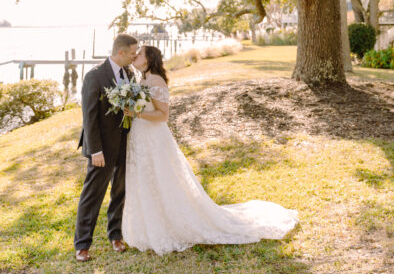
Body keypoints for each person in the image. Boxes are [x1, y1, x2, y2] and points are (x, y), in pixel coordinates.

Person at [122, 45, 298, 255]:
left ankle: (173, 222)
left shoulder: (157, 81)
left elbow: (163, 116)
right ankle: (149, 225)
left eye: (139, 54)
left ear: (149, 59)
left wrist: (137, 114)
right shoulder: (140, 81)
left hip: (154, 139)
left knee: (162, 178)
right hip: (139, 137)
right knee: (146, 180)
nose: (135, 56)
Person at [74, 33, 138, 262]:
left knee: (119, 191)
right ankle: (82, 245)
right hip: (101, 147)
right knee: (93, 195)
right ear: (120, 52)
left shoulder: (129, 73)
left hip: (124, 141)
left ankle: (116, 235)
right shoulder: (95, 77)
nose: (135, 56)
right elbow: (89, 118)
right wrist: (96, 151)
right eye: (132, 53)